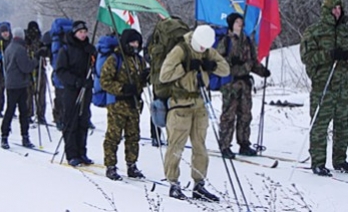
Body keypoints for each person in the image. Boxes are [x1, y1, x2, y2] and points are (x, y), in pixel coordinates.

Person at [159, 24, 230, 201]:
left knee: (200, 146)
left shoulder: (207, 50)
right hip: (180, 105)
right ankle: (173, 183)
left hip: (199, 103)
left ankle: (199, 185)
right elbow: (164, 75)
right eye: (200, 47)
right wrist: (185, 66)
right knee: (176, 146)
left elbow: (225, 69)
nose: (202, 50)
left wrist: (211, 65)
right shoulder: (180, 50)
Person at [300, 0, 348, 176]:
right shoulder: (315, 31)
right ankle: (318, 162)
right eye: (333, 8)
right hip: (324, 86)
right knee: (320, 125)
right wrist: (329, 54)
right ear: (326, 10)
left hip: (344, 87)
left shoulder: (345, 30)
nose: (337, 11)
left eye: (339, 8)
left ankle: (340, 160)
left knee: (343, 125)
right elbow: (307, 57)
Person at [217, 13, 271, 159]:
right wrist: (231, 62)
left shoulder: (247, 41)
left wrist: (262, 71)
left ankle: (244, 144)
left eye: (241, 21)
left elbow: (253, 61)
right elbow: (218, 61)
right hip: (231, 84)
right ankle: (225, 145)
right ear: (231, 24)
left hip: (245, 84)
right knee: (228, 115)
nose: (240, 24)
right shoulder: (226, 41)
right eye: (237, 22)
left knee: (245, 115)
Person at [100, 29, 149, 180]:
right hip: (118, 104)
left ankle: (132, 165)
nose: (135, 45)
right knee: (113, 136)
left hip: (134, 104)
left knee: (133, 136)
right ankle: (110, 166)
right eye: (132, 42)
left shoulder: (139, 60)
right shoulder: (115, 59)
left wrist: (145, 78)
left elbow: (140, 82)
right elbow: (105, 81)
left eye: (137, 43)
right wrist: (122, 89)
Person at [55, 21, 95, 166]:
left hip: (86, 89)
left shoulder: (88, 48)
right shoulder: (66, 49)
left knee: (83, 120)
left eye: (85, 32)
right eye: (80, 32)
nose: (83, 35)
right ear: (74, 33)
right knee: (71, 121)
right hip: (72, 90)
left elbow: (94, 68)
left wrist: (93, 56)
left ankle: (82, 152)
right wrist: (75, 81)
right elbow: (60, 71)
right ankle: (71, 153)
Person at [0, 28, 43, 149]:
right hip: (20, 84)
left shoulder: (9, 48)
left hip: (11, 83)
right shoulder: (20, 49)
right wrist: (36, 60)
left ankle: (5, 136)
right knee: (23, 112)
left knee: (10, 110)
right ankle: (24, 136)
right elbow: (26, 67)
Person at [25, 21, 48, 124]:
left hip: (40, 69)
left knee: (41, 93)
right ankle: (28, 114)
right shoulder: (25, 39)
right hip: (28, 68)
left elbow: (47, 51)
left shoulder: (40, 39)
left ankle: (41, 115)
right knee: (28, 93)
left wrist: (44, 51)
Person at [0, 23, 12, 118]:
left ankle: (11, 109)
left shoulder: (12, 41)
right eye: (3, 32)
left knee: (11, 90)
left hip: (10, 69)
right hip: (0, 68)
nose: (5, 34)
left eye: (6, 32)